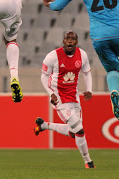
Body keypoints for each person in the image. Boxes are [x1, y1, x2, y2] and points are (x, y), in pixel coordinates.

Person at [34, 31, 95, 169]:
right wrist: (51, 94)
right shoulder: (52, 56)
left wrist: (89, 90)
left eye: (73, 39)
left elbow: (87, 73)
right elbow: (44, 76)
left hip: (74, 97)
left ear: (76, 41)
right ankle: (88, 162)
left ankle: (44, 125)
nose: (70, 41)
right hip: (59, 98)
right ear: (63, 41)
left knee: (74, 133)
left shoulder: (82, 55)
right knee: (79, 130)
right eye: (67, 38)